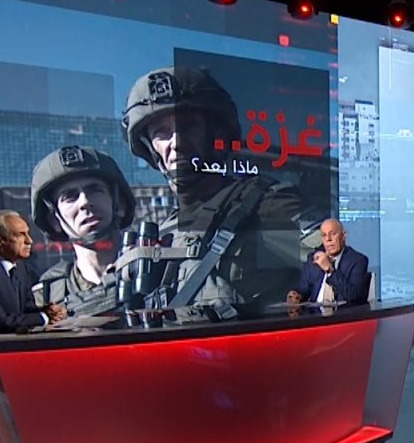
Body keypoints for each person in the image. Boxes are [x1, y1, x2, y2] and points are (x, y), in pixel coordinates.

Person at [120, 66, 310, 308]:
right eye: (162, 133)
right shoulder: (166, 231)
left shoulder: (266, 207)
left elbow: (339, 270)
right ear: (150, 148)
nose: (176, 142)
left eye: (188, 127)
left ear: (215, 134)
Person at [29, 145, 138, 315]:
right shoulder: (44, 299)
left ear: (120, 205)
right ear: (55, 220)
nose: (85, 202)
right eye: (70, 197)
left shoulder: (161, 272)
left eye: (95, 190)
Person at [288, 218, 369, 304]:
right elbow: (303, 289)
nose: (328, 239)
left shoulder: (358, 260)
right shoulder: (314, 259)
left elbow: (353, 295)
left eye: (333, 234)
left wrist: (329, 270)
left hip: (342, 311)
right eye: (324, 235)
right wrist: (297, 295)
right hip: (315, 310)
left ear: (343, 236)